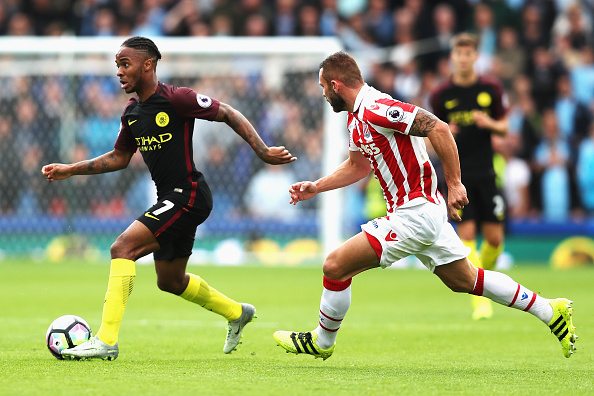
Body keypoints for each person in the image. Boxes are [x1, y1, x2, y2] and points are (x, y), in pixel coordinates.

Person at [272, 51, 577, 360]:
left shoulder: (378, 108)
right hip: (419, 213)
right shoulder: (355, 119)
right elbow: (358, 165)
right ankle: (549, 311)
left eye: (323, 86)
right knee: (466, 280)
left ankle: (322, 341)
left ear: (336, 85)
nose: (322, 93)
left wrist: (455, 182)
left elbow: (439, 128)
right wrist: (317, 186)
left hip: (414, 214)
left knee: (335, 265)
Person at [41, 36, 296, 360]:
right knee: (171, 280)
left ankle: (105, 341)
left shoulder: (177, 99)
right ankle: (236, 312)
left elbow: (228, 112)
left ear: (148, 65)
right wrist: (71, 169)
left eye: (125, 64)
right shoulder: (132, 113)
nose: (119, 72)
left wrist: (263, 150)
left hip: (188, 194)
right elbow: (120, 158)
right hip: (173, 197)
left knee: (122, 248)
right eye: (117, 65)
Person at [428, 33, 508, 320]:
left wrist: (490, 123)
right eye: (458, 53)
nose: (463, 58)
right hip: (457, 176)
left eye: (468, 53)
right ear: (452, 57)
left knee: (495, 239)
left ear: (475, 56)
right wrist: (444, 131)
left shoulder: (491, 88)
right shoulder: (440, 95)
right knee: (469, 234)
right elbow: (429, 134)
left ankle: (484, 277)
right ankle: (481, 300)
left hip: (487, 173)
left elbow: (505, 127)